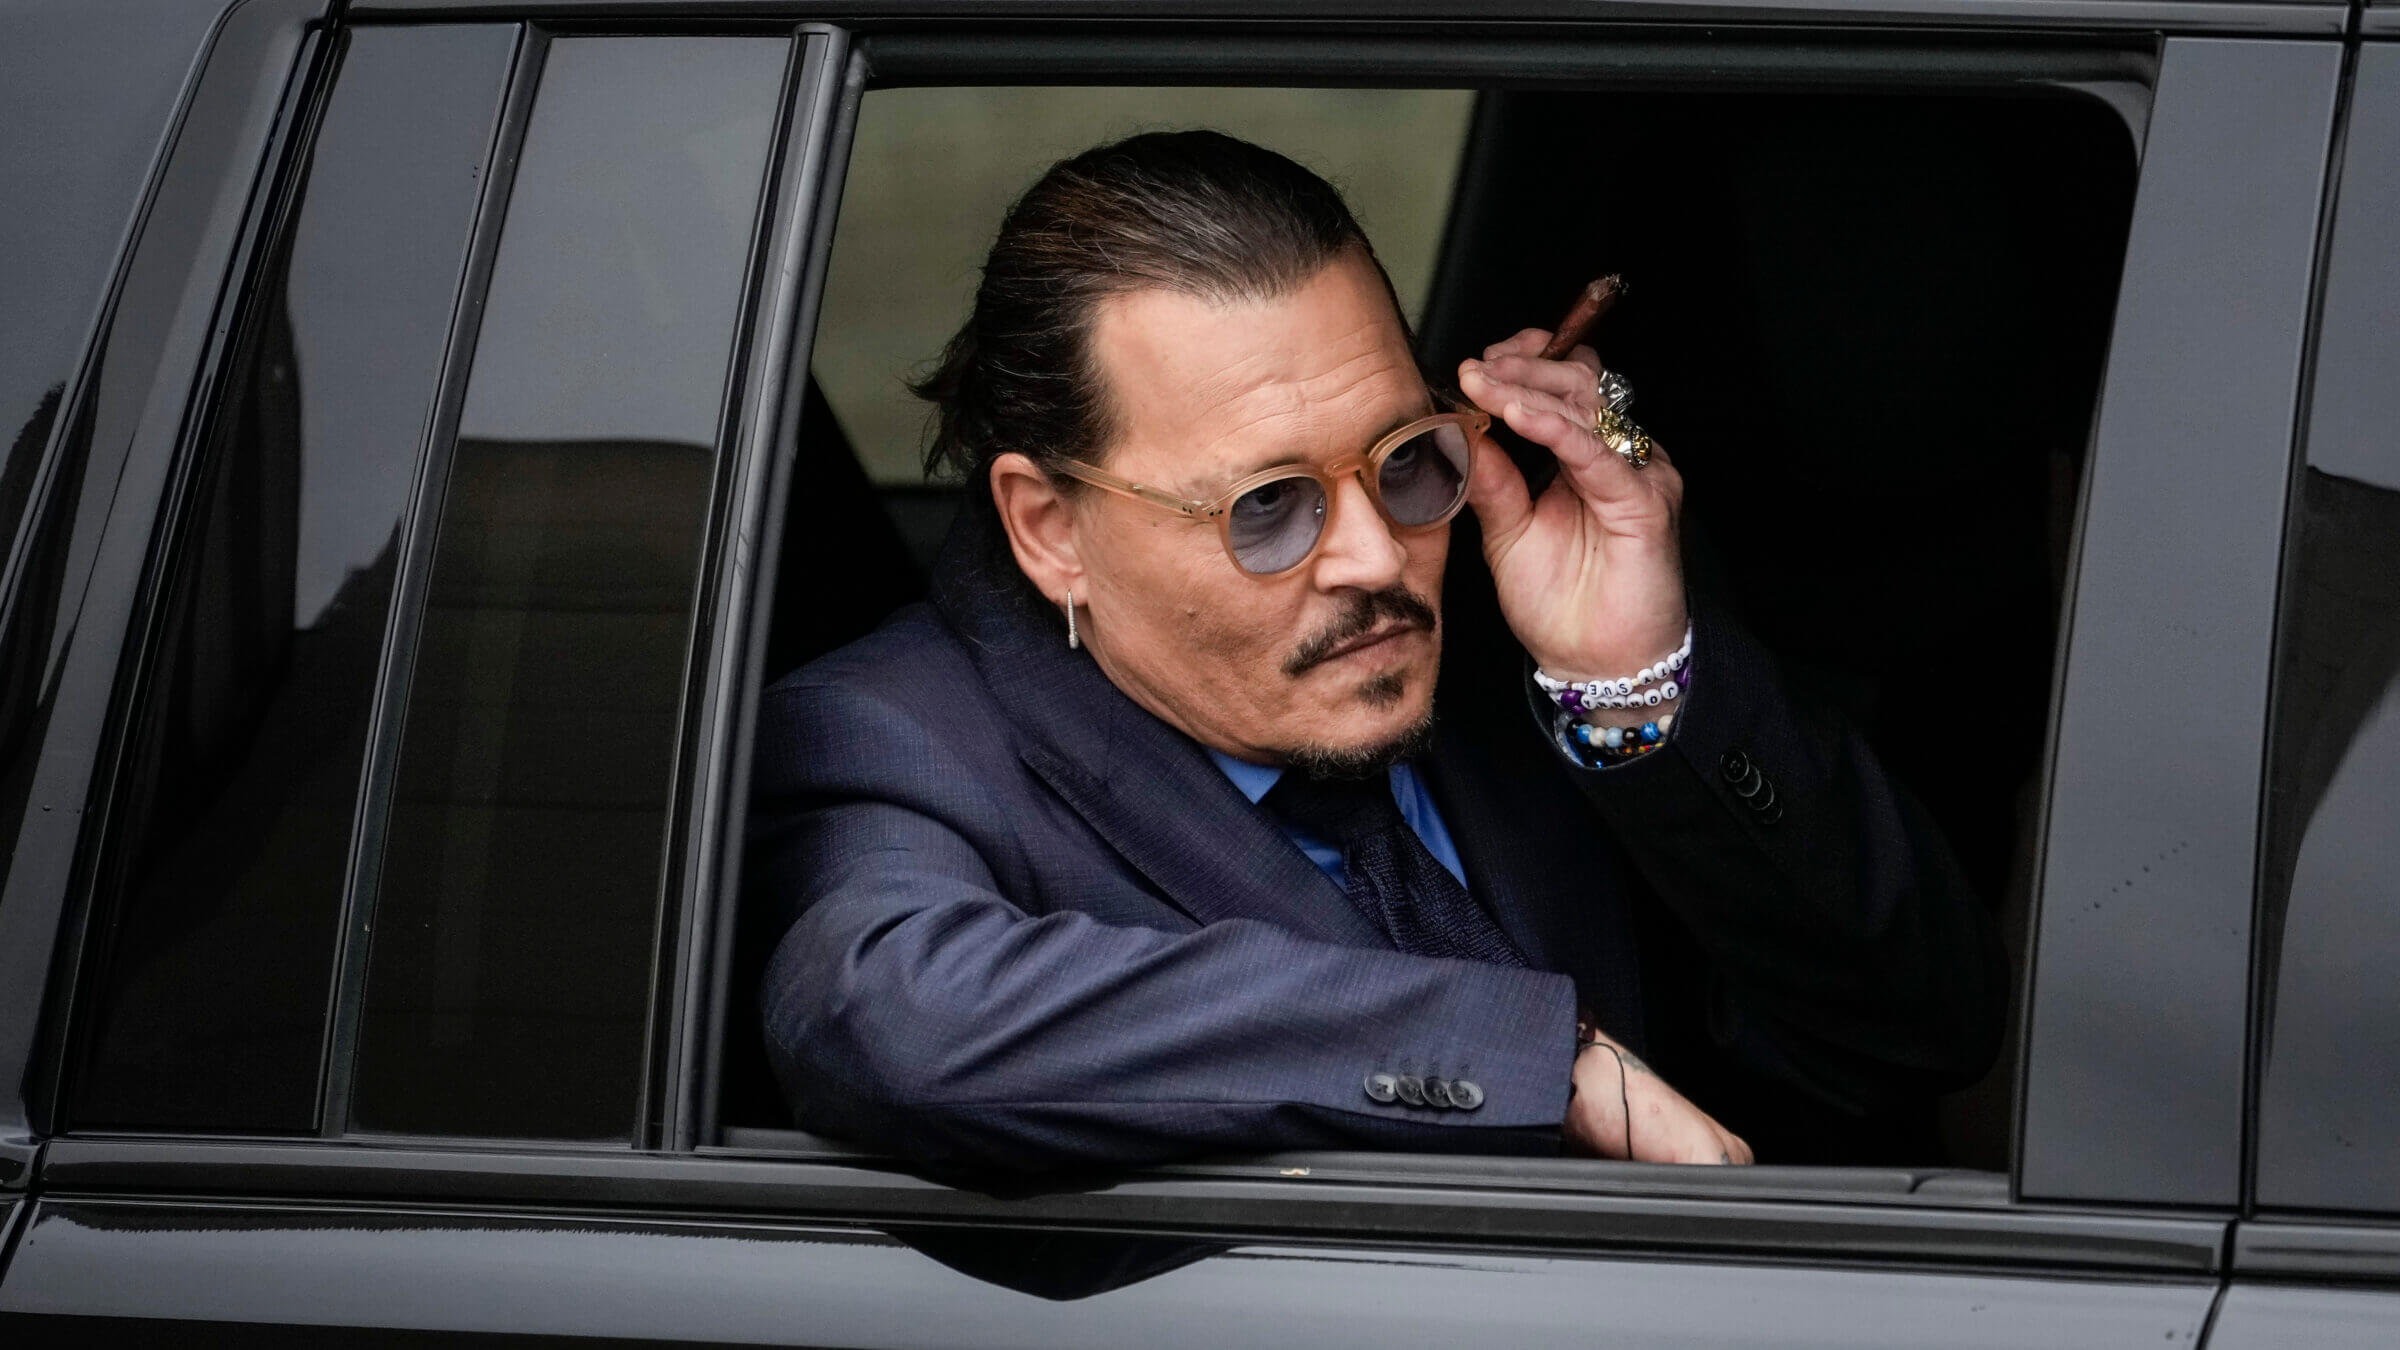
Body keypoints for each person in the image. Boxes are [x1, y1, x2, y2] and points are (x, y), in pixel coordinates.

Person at [749, 130, 2005, 1173]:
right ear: (1049, 528)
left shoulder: (1524, 655)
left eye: (1404, 460)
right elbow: (887, 1018)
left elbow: (1921, 1032)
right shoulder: (898, 735)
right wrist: (1535, 1056)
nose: (1372, 557)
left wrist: (1632, 682)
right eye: (1269, 507)